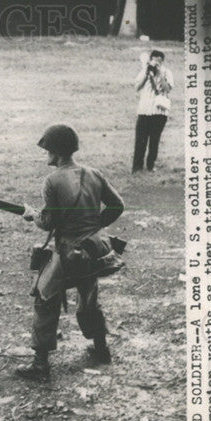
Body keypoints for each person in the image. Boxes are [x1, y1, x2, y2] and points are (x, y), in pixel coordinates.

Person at [16, 124, 125, 382]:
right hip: (96, 250)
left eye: (47, 151)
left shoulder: (52, 181)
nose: (46, 155)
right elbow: (117, 205)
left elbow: (48, 222)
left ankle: (40, 364)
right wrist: (95, 226)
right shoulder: (94, 173)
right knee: (89, 296)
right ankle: (101, 348)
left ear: (56, 151)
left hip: (69, 254)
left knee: (45, 298)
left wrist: (32, 216)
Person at [132, 50, 174, 172]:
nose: (156, 64)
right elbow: (137, 87)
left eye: (159, 62)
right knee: (140, 140)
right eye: (154, 61)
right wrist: (147, 73)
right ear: (150, 60)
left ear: (162, 62)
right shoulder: (144, 71)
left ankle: (151, 166)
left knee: (154, 140)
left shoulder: (167, 72)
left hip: (159, 112)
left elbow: (167, 89)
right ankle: (137, 167)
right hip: (144, 110)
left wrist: (160, 74)